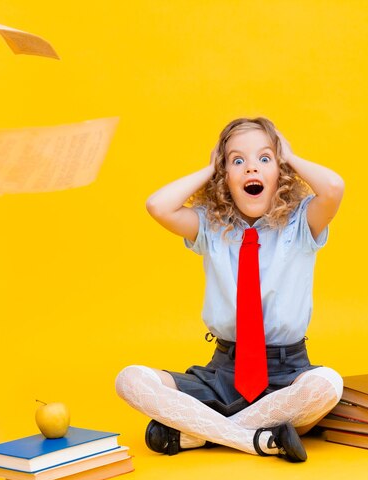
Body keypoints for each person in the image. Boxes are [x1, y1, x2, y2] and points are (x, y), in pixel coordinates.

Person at [115, 117, 345, 462]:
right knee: (129, 379)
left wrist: (290, 156)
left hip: (286, 373)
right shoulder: (210, 226)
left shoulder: (301, 223)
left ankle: (197, 435)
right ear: (225, 177)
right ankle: (254, 439)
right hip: (223, 370)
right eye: (238, 161)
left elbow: (334, 187)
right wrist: (211, 167)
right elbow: (157, 206)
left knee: (327, 385)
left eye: (265, 159)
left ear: (279, 173)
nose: (251, 168)